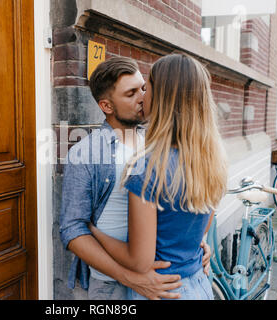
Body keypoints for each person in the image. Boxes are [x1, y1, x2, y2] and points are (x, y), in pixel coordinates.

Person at [59, 56, 211, 300]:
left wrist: (195, 242)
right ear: (107, 106)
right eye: (130, 94)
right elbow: (72, 230)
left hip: (164, 279)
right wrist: (131, 278)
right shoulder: (86, 152)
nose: (142, 97)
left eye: (143, 88)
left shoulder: (157, 142)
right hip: (111, 285)